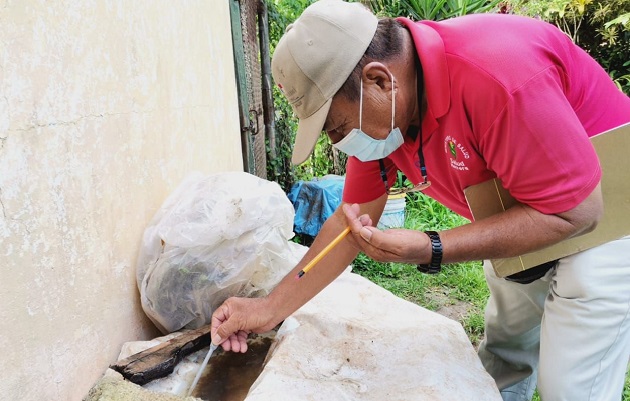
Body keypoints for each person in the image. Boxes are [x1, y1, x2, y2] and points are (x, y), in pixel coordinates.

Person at [210, 1, 630, 400]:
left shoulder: (499, 75)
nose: (341, 144)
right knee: (505, 354)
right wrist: (268, 309)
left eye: (336, 127)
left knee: (571, 387)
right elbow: (348, 226)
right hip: (519, 207)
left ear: (378, 80)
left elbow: (577, 210)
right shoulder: (388, 114)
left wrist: (433, 247)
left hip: (606, 214)